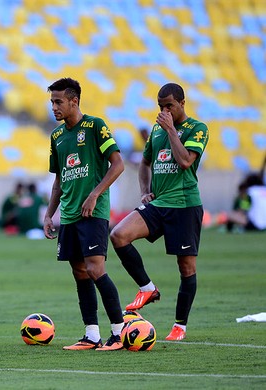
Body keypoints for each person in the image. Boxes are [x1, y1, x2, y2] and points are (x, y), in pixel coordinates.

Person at [109, 83, 209, 341]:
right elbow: (144, 163)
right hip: (160, 203)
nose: (164, 111)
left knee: (186, 268)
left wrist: (171, 130)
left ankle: (179, 326)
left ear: (182, 104)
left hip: (185, 206)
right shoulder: (156, 130)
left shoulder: (197, 129)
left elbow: (185, 161)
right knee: (119, 235)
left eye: (169, 106)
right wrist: (145, 190)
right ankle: (147, 288)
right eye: (160, 106)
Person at [42, 77, 126, 351]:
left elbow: (118, 164)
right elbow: (59, 179)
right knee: (79, 272)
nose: (53, 107)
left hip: (93, 212)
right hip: (68, 215)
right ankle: (91, 335)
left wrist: (94, 194)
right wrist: (49, 214)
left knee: (94, 268)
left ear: (74, 100)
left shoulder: (95, 126)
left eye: (58, 101)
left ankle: (118, 332)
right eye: (51, 101)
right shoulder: (56, 136)